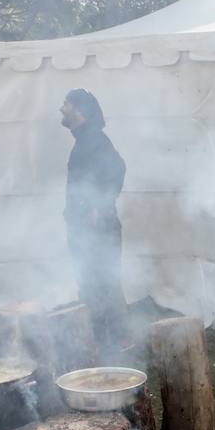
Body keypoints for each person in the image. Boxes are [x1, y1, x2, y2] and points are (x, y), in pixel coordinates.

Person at [61, 89, 126, 348]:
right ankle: (104, 340)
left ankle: (115, 342)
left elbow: (118, 169)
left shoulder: (95, 140)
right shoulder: (85, 140)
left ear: (80, 111)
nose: (61, 108)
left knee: (103, 284)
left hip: (98, 229)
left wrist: (99, 204)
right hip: (84, 229)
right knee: (91, 284)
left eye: (66, 104)